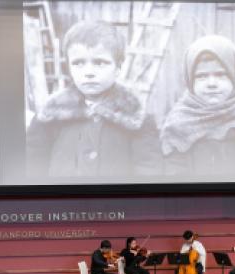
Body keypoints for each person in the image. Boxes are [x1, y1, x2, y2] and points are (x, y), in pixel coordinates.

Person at [26, 20, 160, 179]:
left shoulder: (137, 118)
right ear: (68, 66)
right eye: (78, 63)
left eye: (99, 62)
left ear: (118, 68)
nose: (89, 72)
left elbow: (149, 172)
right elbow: (32, 168)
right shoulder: (50, 115)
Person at [160, 34, 235, 179]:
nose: (212, 83)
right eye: (202, 76)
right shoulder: (178, 122)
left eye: (221, 75)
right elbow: (174, 176)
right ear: (190, 81)